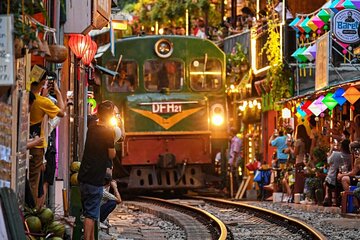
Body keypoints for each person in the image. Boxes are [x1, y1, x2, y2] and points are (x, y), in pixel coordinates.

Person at [78, 100, 116, 240]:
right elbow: (111, 154)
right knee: (91, 214)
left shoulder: (92, 126)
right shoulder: (108, 132)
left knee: (89, 210)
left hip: (83, 175)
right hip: (95, 177)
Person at [29, 67, 65, 209]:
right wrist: (57, 92)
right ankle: (30, 212)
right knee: (34, 182)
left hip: (26, 142)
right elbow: (61, 113)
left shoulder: (26, 97)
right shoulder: (43, 102)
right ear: (43, 82)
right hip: (37, 147)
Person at [323, 139, 352, 206]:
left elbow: (328, 161)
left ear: (341, 147)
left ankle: (327, 196)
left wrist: (331, 149)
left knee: (326, 181)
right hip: (343, 175)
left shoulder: (335, 154)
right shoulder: (350, 156)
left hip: (332, 179)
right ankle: (332, 198)